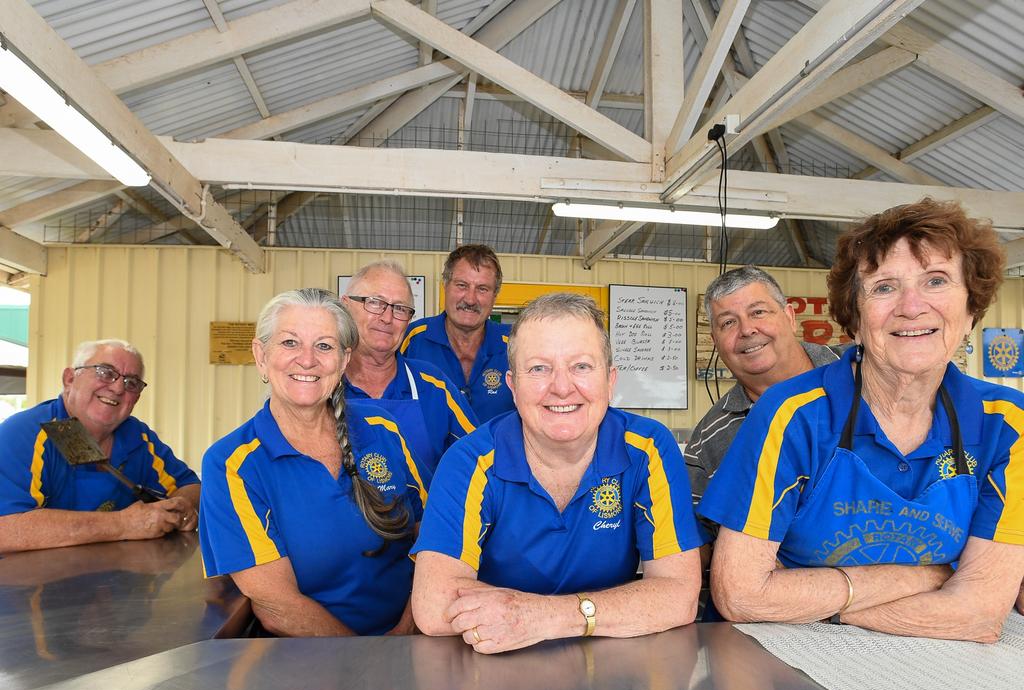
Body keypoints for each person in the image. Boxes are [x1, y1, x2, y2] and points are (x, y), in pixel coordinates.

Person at [701, 198, 1024, 642]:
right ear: (854, 318)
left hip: (943, 673)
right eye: (884, 287)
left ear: (971, 309)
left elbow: (980, 614)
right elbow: (742, 596)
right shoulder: (792, 414)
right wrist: (930, 577)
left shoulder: (1008, 426)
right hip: (786, 658)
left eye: (936, 281)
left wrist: (819, 604)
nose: (912, 306)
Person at [411, 293, 706, 654]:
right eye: (539, 368)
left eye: (581, 366)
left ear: (610, 381)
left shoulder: (648, 448)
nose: (562, 387)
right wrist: (608, 609)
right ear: (512, 387)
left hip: (614, 664)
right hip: (494, 661)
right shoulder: (469, 461)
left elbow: (679, 595)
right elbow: (433, 605)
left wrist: (543, 617)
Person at [199, 288, 430, 637]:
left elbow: (434, 536)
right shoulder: (232, 465)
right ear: (261, 356)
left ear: (342, 359)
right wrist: (371, 664)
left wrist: (407, 630)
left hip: (412, 638)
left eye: (324, 346)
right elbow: (276, 605)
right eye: (290, 343)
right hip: (313, 664)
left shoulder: (383, 429)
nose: (307, 360)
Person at [0, 339, 199, 552]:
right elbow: (6, 530)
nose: (117, 388)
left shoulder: (137, 436)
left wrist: (180, 507)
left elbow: (191, 487)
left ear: (137, 398)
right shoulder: (23, 434)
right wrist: (124, 524)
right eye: (105, 372)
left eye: (131, 382)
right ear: (69, 379)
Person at [686, 267, 838, 524]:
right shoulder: (706, 443)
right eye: (728, 323)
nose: (747, 330)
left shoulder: (862, 372)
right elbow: (701, 543)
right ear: (715, 340)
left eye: (758, 312)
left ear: (789, 316)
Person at [342, 260, 477, 473]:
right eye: (375, 303)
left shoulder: (434, 386)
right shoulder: (324, 384)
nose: (387, 318)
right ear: (346, 305)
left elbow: (479, 456)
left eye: (400, 308)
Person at [401, 244, 514, 423]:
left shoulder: (517, 343)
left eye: (482, 289)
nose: (470, 299)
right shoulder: (410, 339)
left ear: (495, 295)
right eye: (462, 285)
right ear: (445, 286)